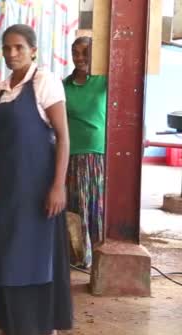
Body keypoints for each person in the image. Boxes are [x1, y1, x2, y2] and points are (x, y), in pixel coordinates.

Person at [0, 24, 73, 335]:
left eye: (19, 47)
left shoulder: (44, 82)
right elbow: (5, 142)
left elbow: (63, 138)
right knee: (10, 257)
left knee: (36, 258)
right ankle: (15, 328)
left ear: (33, 49)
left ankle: (43, 331)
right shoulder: (4, 88)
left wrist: (58, 186)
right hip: (10, 188)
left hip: (38, 188)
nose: (11, 53)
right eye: (6, 48)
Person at [64, 36, 107, 268]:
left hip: (99, 156)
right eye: (75, 52)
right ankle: (80, 257)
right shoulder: (64, 85)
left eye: (84, 52)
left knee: (97, 208)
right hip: (72, 156)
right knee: (76, 207)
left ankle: (98, 256)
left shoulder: (104, 81)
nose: (79, 57)